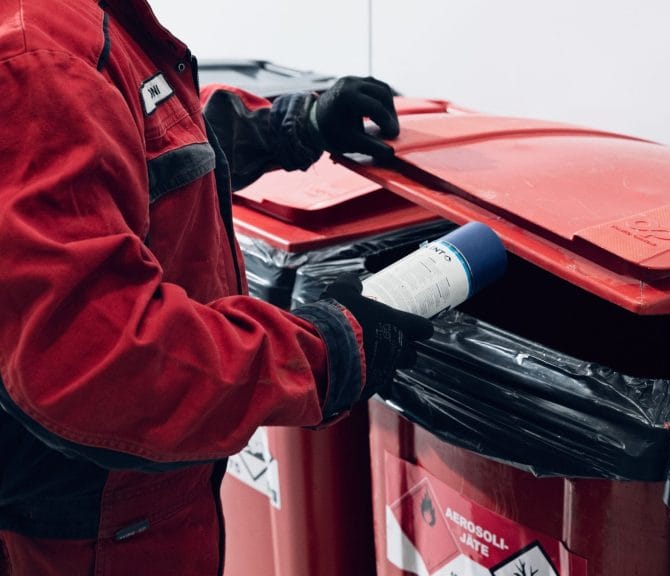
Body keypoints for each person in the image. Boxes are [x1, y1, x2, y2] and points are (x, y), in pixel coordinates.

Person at [0, 1, 433, 574]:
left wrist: (289, 128)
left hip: (138, 493)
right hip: (97, 522)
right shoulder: (40, 55)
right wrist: (327, 350)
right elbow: (98, 361)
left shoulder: (79, 29)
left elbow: (135, 142)